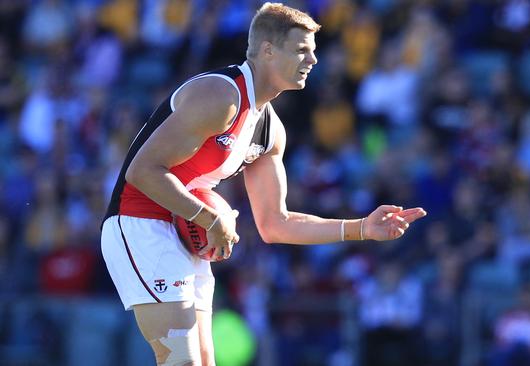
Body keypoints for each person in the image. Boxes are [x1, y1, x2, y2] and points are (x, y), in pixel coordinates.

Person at [100, 3, 427, 365]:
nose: (313, 60)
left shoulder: (271, 130)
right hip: (139, 222)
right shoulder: (220, 96)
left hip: (182, 232)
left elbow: (275, 223)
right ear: (268, 50)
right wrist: (209, 219)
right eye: (302, 50)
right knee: (183, 362)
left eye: (314, 51)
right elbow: (141, 172)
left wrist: (362, 228)